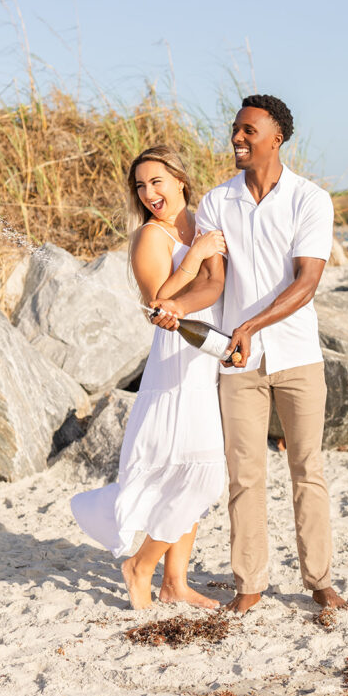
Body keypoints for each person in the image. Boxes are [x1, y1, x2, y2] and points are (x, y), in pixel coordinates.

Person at [195, 95, 348, 614]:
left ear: (277, 137)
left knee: (308, 467)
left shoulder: (311, 199)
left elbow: (307, 282)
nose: (237, 138)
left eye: (248, 131)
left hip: (298, 355)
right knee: (245, 472)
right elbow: (213, 280)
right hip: (238, 363)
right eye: (235, 129)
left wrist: (250, 325)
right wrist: (171, 306)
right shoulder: (215, 203)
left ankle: (320, 580)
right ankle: (250, 584)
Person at [70, 145, 227, 610]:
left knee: (191, 471)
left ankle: (174, 582)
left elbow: (216, 286)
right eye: (141, 186)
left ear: (180, 179)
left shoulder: (205, 219)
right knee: (200, 474)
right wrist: (195, 254)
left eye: (157, 181)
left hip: (208, 354)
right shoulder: (150, 237)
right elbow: (159, 302)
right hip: (175, 359)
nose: (149, 193)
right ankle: (140, 565)